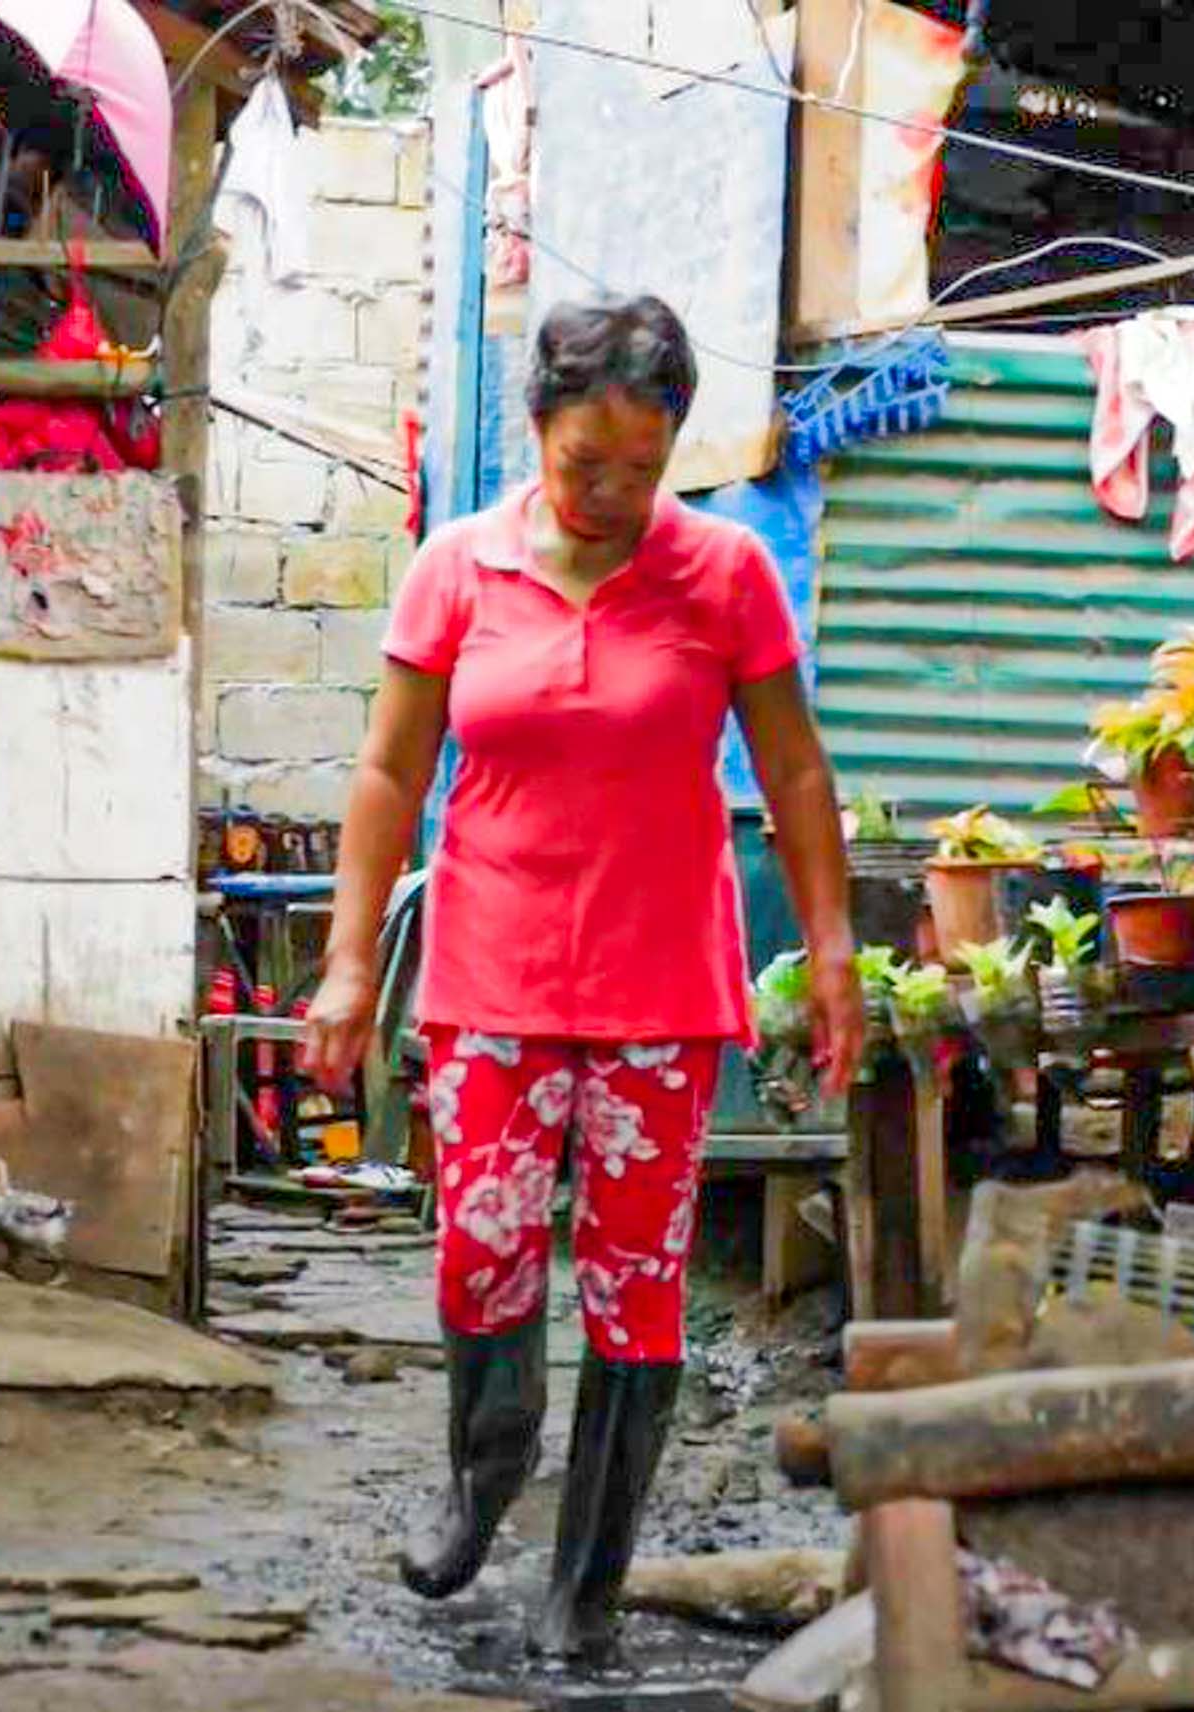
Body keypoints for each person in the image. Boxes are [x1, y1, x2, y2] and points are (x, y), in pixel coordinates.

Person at [299, 295, 865, 1660]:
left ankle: (588, 1579)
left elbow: (792, 770)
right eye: (583, 465)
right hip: (490, 971)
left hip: (660, 990)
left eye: (643, 466)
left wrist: (835, 945)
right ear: (537, 431)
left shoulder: (726, 573)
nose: (613, 493)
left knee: (636, 1285)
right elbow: (389, 772)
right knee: (482, 1252)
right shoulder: (457, 568)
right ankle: (481, 1479)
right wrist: (346, 959)